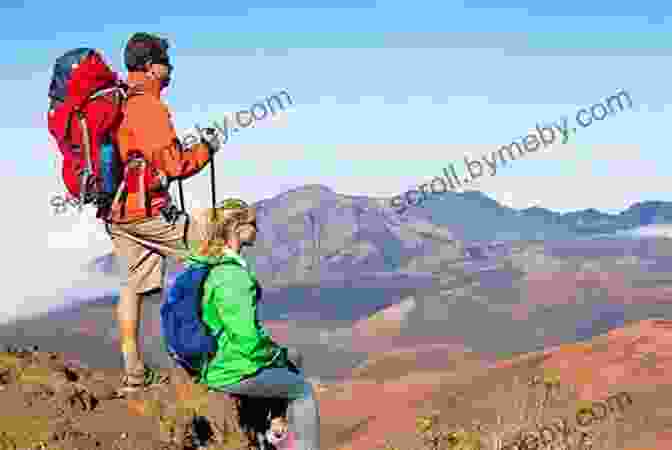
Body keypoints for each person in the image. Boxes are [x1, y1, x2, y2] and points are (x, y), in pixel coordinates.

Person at [105, 32, 222, 395]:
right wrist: (206, 149)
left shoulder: (121, 102)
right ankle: (212, 357)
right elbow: (173, 165)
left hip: (118, 212)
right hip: (147, 209)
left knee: (131, 286)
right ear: (151, 67)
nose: (170, 68)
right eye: (166, 62)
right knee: (213, 252)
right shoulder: (148, 107)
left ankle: (133, 372)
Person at [183, 198, 320, 450]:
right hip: (226, 367)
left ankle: (265, 431)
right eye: (253, 224)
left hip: (212, 357)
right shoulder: (232, 275)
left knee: (293, 357)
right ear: (236, 227)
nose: (257, 229)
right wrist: (274, 355)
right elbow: (247, 340)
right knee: (302, 391)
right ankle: (277, 433)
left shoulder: (206, 263)